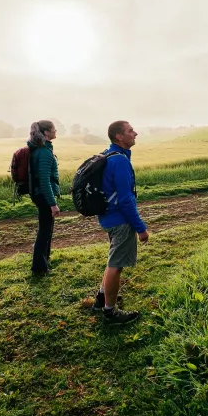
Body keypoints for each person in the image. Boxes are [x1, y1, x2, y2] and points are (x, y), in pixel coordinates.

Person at [91, 120, 150, 324]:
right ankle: (110, 311)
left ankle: (101, 297)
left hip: (108, 216)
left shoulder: (109, 154)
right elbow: (125, 200)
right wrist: (140, 229)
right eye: (130, 131)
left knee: (113, 261)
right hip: (120, 220)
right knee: (116, 265)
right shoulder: (120, 161)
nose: (135, 133)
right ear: (119, 137)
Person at [29, 120, 60, 275]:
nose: (56, 131)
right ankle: (39, 268)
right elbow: (44, 181)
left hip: (40, 195)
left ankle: (44, 262)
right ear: (46, 133)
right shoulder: (44, 153)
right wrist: (53, 203)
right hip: (44, 196)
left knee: (46, 229)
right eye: (54, 129)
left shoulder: (40, 150)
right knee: (44, 231)